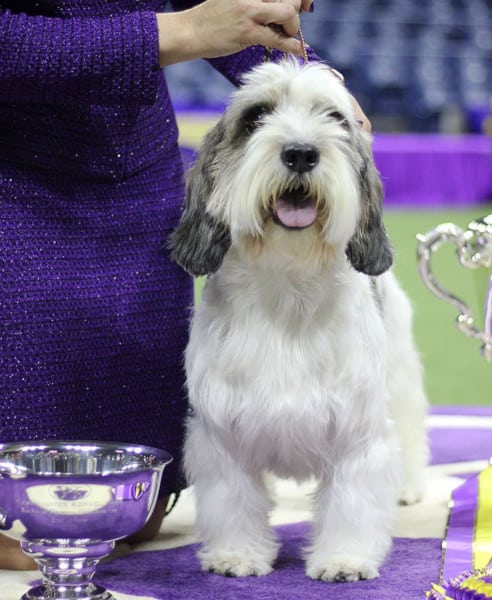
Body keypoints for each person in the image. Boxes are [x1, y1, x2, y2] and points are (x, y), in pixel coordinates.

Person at [0, 0, 368, 570]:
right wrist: (186, 30)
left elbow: (234, 12)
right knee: (30, 538)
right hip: (22, 184)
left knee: (135, 517)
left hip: (140, 176)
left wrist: (324, 85)